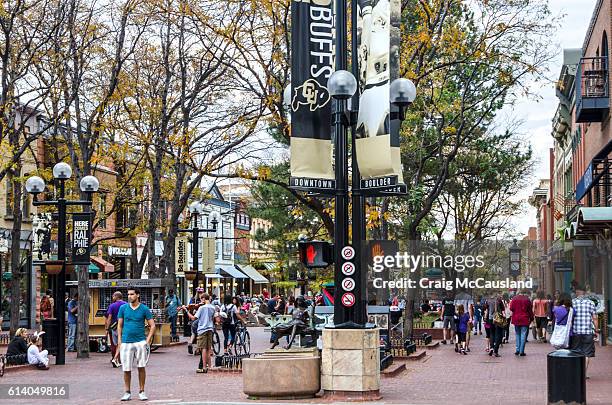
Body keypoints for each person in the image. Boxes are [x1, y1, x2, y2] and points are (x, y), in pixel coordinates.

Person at [115, 287, 156, 401]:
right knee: (126, 368)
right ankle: (127, 392)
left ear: (137, 295)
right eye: (128, 294)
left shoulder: (144, 309)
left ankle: (142, 391)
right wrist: (119, 339)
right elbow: (119, 325)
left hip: (140, 341)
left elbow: (152, 325)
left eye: (132, 294)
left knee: (141, 367)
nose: (129, 296)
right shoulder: (123, 308)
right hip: (126, 341)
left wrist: (147, 341)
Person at [570, 284, 598, 378]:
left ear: (577, 292)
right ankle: (583, 374)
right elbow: (595, 318)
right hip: (588, 332)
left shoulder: (572, 302)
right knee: (587, 353)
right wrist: (596, 330)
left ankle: (576, 372)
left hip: (575, 331)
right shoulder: (590, 303)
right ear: (584, 292)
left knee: (575, 352)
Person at [184, 293, 216, 373]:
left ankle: (204, 367)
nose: (201, 301)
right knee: (209, 348)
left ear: (204, 299)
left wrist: (186, 310)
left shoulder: (202, 308)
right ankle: (210, 366)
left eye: (201, 299)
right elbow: (213, 318)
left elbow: (193, 318)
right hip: (210, 328)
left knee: (203, 349)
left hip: (202, 329)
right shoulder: (213, 307)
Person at [105, 291, 127, 367]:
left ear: (116, 296)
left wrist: (107, 329)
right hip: (125, 327)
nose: (112, 298)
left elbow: (109, 318)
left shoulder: (112, 306)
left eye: (113, 296)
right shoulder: (126, 305)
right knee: (123, 343)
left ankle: (115, 359)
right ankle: (120, 359)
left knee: (115, 344)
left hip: (114, 328)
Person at [509, 289, 533, 356]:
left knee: (517, 334)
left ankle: (517, 350)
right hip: (525, 318)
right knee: (523, 334)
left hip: (516, 318)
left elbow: (511, 308)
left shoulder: (514, 298)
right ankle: (521, 351)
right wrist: (531, 318)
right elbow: (530, 310)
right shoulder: (527, 299)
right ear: (524, 293)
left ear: (518, 292)